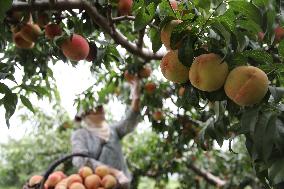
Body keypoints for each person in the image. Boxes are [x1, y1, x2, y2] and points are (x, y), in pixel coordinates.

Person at [71, 77, 140, 188]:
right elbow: (80, 160)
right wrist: (114, 172)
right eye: (96, 108)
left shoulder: (112, 129)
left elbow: (130, 120)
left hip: (122, 185)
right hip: (97, 184)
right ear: (86, 113)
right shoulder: (81, 134)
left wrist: (136, 95)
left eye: (101, 106)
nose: (101, 109)